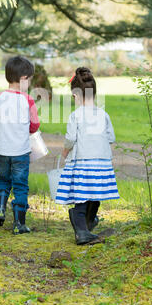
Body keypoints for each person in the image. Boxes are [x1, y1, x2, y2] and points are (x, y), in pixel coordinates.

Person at [55, 67, 120, 245]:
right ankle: (84, 229)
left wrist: (65, 151)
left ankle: (83, 226)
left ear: (75, 95)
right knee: (95, 196)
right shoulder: (103, 115)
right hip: (100, 163)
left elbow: (70, 138)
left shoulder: (75, 116)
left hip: (83, 162)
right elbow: (111, 138)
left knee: (82, 197)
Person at [0, 56, 40, 234]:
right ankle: (19, 223)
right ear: (24, 78)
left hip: (1, 151)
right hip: (20, 152)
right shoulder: (28, 100)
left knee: (3, 179)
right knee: (20, 186)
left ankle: (0, 210)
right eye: (30, 80)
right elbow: (34, 126)